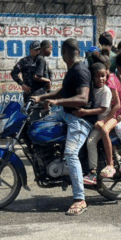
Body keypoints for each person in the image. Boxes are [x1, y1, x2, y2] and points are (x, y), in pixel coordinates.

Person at [32, 38, 93, 216]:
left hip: (79, 118)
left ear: (64, 52)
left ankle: (80, 199)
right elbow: (63, 92)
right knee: (39, 126)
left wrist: (57, 101)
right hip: (66, 114)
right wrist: (41, 98)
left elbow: (83, 98)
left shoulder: (80, 70)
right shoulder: (72, 69)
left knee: (70, 153)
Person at [81, 62, 118, 185]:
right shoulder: (91, 88)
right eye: (97, 76)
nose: (101, 79)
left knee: (91, 142)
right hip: (94, 121)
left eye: (103, 76)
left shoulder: (106, 91)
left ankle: (93, 172)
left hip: (104, 120)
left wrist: (85, 112)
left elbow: (103, 109)